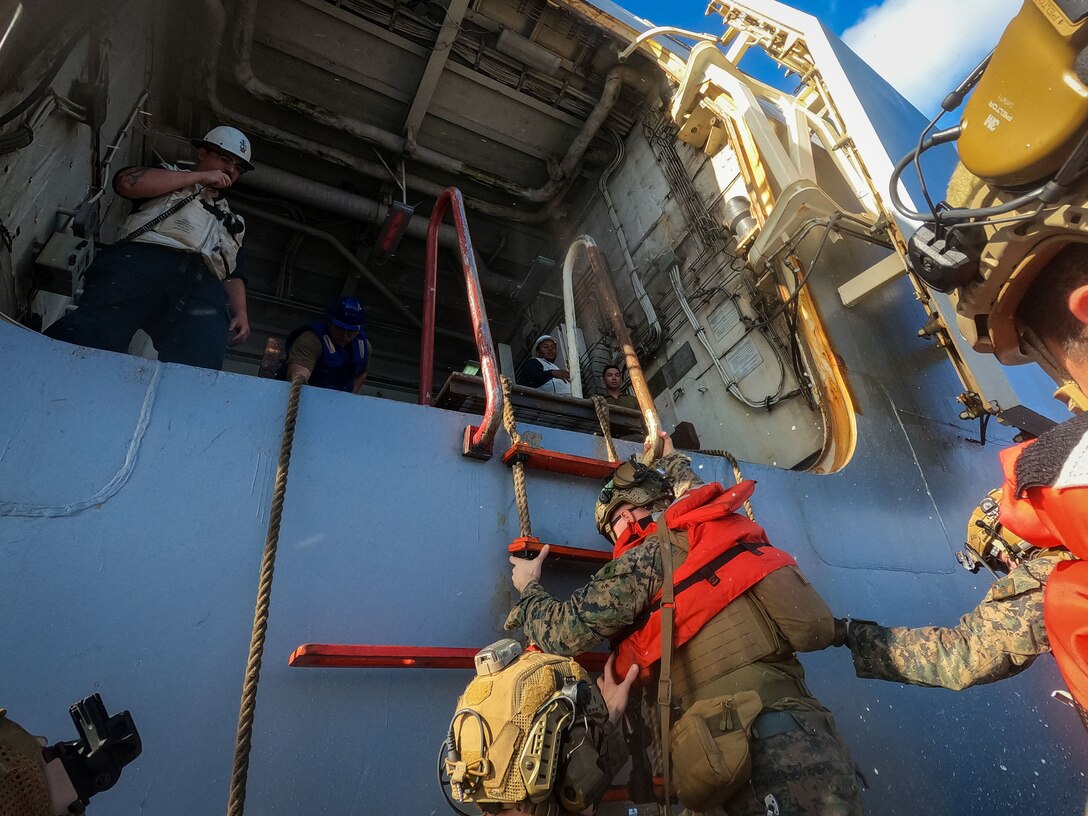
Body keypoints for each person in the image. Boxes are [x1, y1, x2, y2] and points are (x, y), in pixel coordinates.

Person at [505, 431, 862, 816]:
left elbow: (562, 633)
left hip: (733, 760)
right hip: (813, 738)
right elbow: (694, 493)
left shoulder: (642, 561)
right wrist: (672, 459)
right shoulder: (722, 528)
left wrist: (529, 589)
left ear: (623, 516)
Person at [45, 126, 253, 370]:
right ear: (202, 154)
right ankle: (48, 371)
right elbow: (126, 184)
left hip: (202, 285)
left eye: (238, 167)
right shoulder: (170, 176)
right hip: (145, 260)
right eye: (224, 159)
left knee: (200, 362)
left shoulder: (233, 221)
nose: (230, 170)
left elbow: (234, 272)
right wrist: (199, 178)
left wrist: (241, 312)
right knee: (95, 332)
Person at [838, 488, 1073, 691]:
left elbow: (965, 658)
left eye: (1000, 562)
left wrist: (852, 637)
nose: (1009, 570)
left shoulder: (1051, 576)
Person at [284, 297, 371, 394]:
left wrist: (349, 399)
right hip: (308, 397)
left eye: (351, 331)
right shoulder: (311, 340)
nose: (344, 335)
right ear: (330, 322)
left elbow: (361, 373)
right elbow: (298, 378)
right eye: (339, 329)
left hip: (339, 401)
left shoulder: (364, 347)